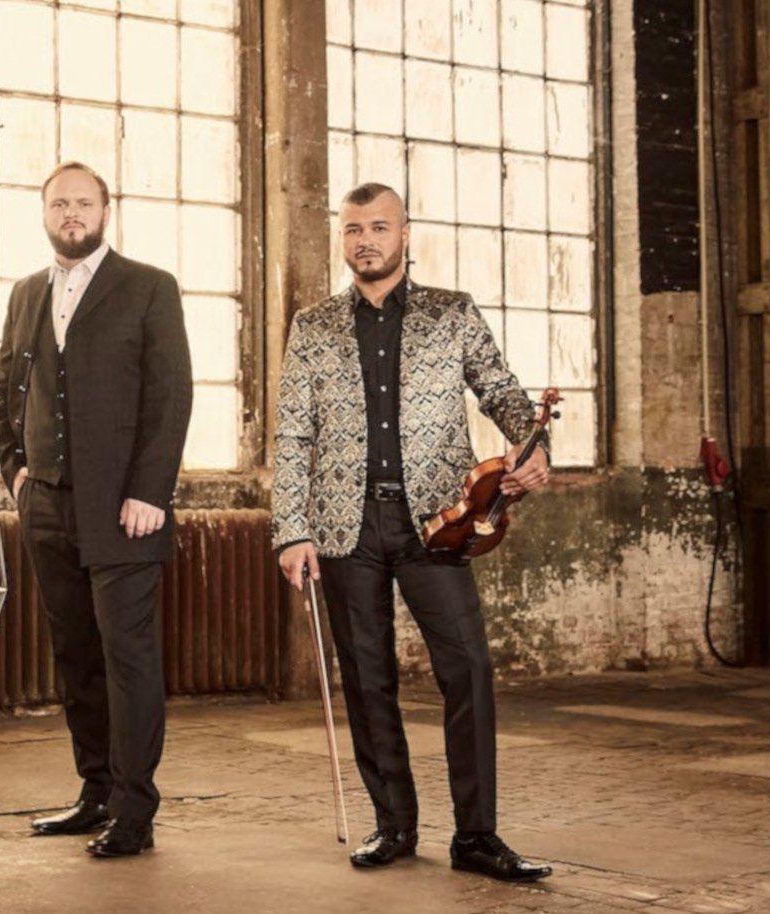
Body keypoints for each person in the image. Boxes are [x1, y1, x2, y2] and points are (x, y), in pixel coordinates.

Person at [272, 182, 553, 883]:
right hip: (344, 526)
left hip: (440, 520)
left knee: (469, 671)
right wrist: (290, 531)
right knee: (369, 681)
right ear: (342, 239)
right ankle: (393, 825)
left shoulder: (451, 313)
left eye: (378, 227)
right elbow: (292, 434)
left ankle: (477, 836)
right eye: (352, 229)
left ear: (405, 234)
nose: (364, 240)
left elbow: (501, 388)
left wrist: (531, 444)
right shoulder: (312, 326)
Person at [0, 161, 192, 859]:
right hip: (45, 505)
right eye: (59, 203)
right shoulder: (22, 295)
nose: (71, 213)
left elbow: (171, 397)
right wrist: (15, 475)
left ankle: (135, 811)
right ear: (44, 212)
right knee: (76, 655)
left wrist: (150, 491)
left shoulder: (149, 288)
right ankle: (95, 792)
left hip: (125, 510)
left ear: (106, 209)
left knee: (127, 659)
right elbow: (6, 390)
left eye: (83, 202)